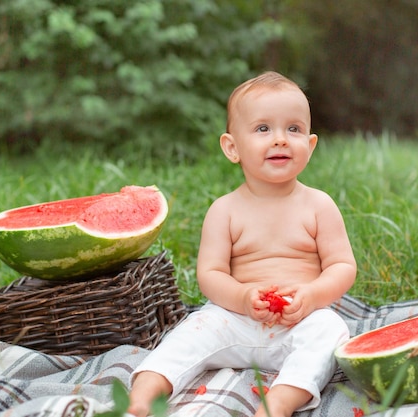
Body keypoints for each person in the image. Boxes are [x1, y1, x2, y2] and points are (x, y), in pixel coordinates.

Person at [127, 71, 357, 417]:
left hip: (301, 319)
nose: (280, 140)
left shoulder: (319, 205)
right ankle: (142, 398)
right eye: (263, 129)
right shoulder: (225, 210)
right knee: (187, 334)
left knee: (331, 332)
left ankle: (278, 403)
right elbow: (211, 274)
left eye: (293, 129)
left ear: (309, 145)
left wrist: (311, 296)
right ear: (232, 147)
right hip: (234, 318)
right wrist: (242, 298)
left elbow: (342, 266)